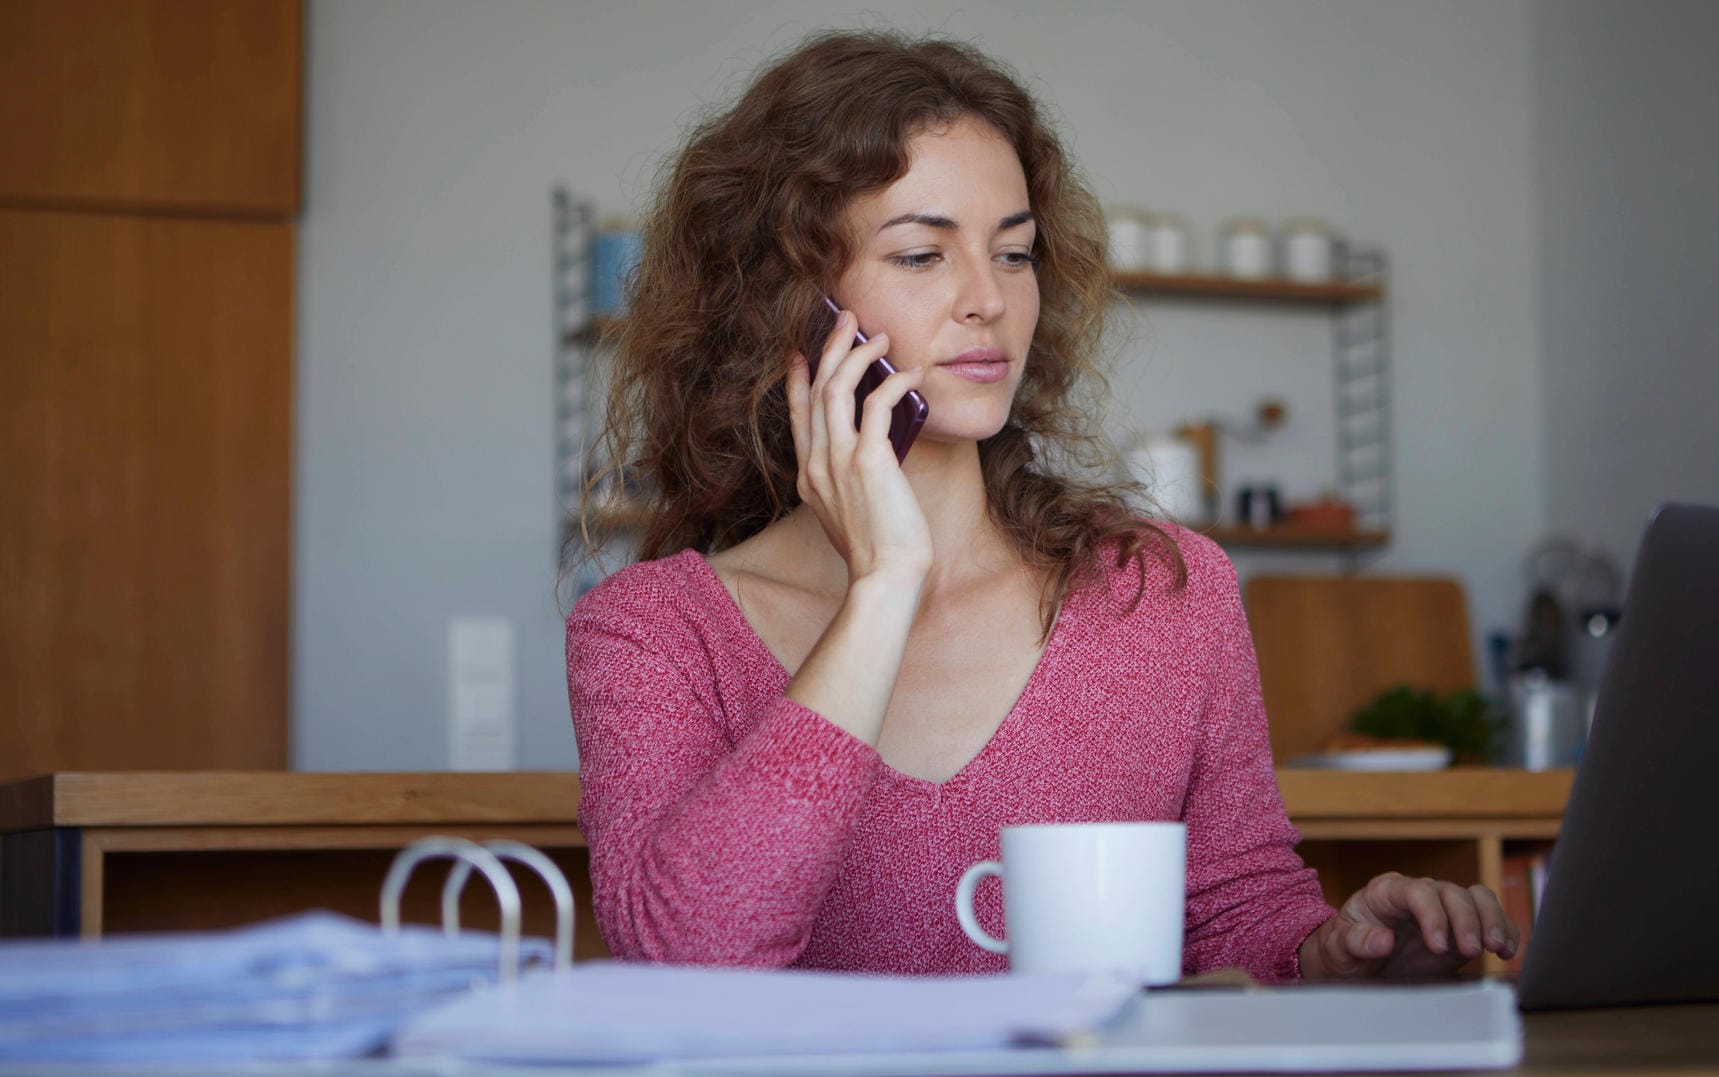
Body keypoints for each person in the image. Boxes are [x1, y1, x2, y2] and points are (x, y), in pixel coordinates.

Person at [566, 29, 1517, 983]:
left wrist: (1347, 954)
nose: (989, 299)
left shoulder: (1161, 592)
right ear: (789, 304)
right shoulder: (652, 632)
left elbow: (1240, 916)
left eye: (1013, 253)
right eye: (920, 255)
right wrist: (882, 584)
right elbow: (689, 958)